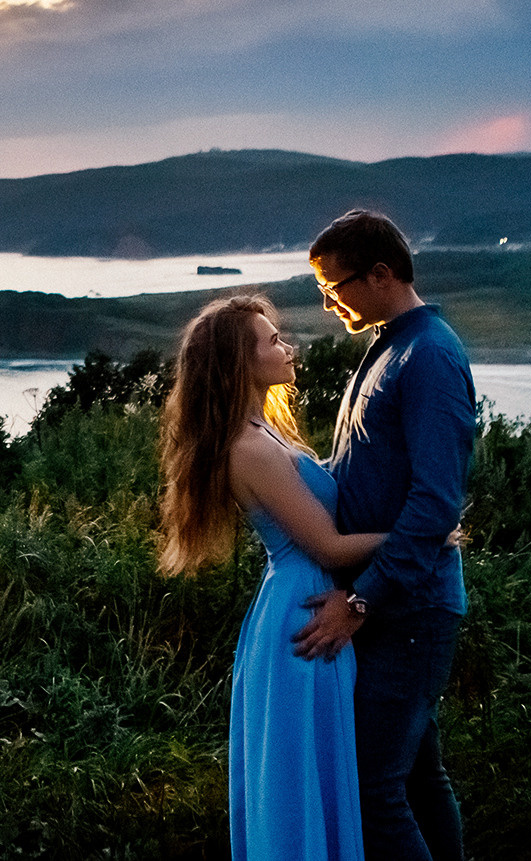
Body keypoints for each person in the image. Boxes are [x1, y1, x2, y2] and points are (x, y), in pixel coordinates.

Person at [157, 293, 386, 861]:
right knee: (298, 774)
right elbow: (329, 548)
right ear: (241, 363)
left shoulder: (266, 431)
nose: (288, 347)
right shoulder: (251, 447)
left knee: (311, 768)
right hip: (303, 613)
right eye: (273, 341)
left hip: (302, 602)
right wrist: (423, 535)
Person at [292, 209, 474, 861]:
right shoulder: (389, 344)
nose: (329, 300)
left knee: (373, 788)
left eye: (336, 285)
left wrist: (360, 600)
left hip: (410, 608)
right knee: (419, 778)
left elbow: (434, 503)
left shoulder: (429, 354)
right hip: (396, 605)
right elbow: (359, 469)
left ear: (381, 272)